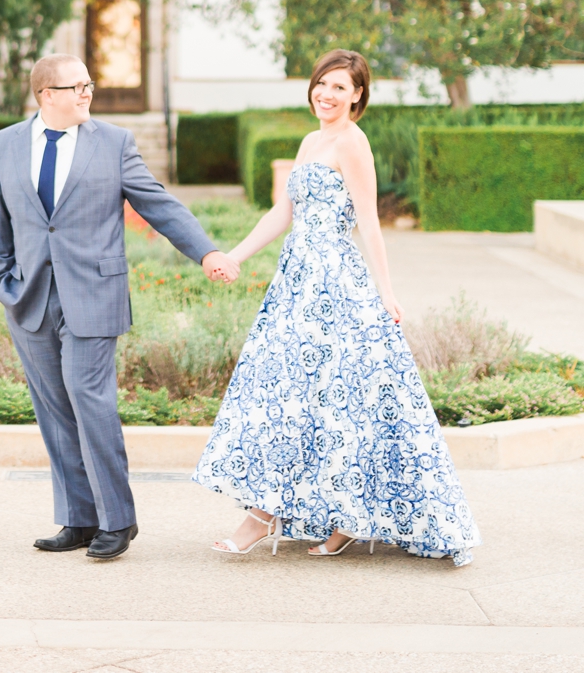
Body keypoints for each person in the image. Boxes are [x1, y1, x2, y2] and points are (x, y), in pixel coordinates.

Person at [192, 49, 481, 566]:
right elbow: (283, 211)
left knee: (340, 396)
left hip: (336, 283)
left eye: (339, 87)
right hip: (296, 282)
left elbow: (368, 222)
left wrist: (387, 291)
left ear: (358, 95)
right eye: (321, 83)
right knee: (288, 393)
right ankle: (290, 514)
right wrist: (232, 255)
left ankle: (317, 518)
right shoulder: (310, 140)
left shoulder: (353, 143)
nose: (326, 94)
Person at [0, 54, 236, 562]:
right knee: (54, 409)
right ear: (45, 94)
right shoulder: (2, 144)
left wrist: (206, 251)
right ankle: (78, 518)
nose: (87, 94)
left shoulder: (113, 142)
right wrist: (4, 281)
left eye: (89, 85)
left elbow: (156, 202)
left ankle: (118, 519)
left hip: (94, 294)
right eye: (77, 86)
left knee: (88, 398)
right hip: (28, 298)